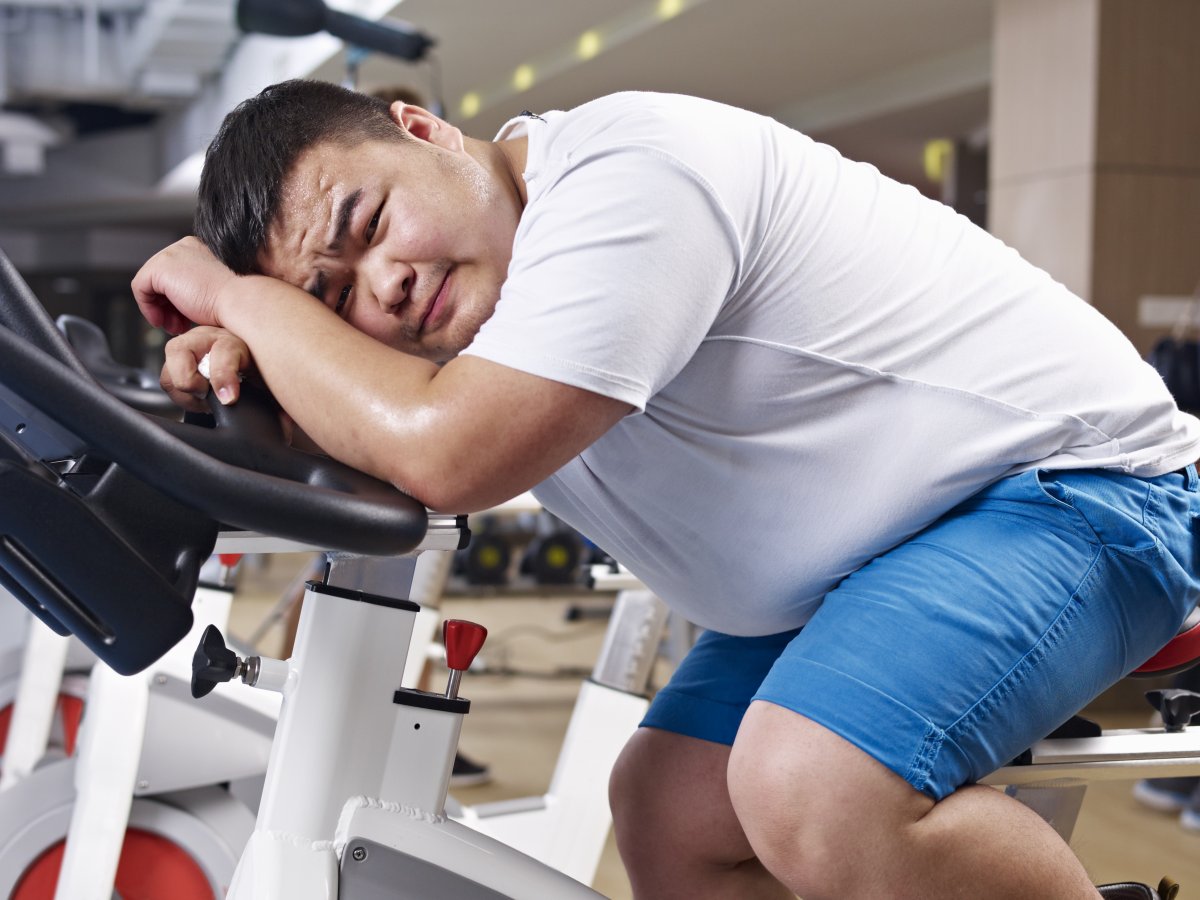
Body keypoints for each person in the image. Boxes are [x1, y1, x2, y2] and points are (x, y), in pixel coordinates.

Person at [131, 79, 1200, 899]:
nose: (386, 286)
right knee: (669, 817)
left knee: (810, 786)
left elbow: (446, 452)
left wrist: (243, 300)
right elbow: (371, 413)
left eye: (369, 228)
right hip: (875, 562)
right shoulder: (460, 321)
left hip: (1072, 488)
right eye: (332, 297)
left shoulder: (629, 178)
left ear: (422, 129)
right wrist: (244, 350)